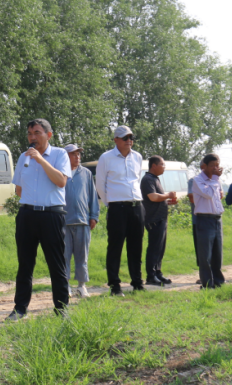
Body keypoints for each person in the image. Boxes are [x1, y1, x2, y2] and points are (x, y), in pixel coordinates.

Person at [6, 119, 72, 320]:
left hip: (51, 214)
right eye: (29, 133)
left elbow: (61, 181)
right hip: (27, 215)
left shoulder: (60, 154)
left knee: (56, 264)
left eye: (37, 132)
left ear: (48, 135)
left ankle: (61, 309)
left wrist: (40, 159)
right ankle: (20, 309)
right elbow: (18, 189)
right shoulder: (23, 157)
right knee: (25, 264)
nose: (32, 137)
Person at [95, 125, 146, 296]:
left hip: (136, 206)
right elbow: (100, 185)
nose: (129, 141)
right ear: (116, 140)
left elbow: (136, 180)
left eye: (131, 137)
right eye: (125, 138)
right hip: (117, 207)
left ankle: (137, 282)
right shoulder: (106, 158)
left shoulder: (137, 157)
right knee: (115, 247)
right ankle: (115, 285)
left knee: (136, 247)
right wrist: (111, 203)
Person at [62, 143, 98, 299]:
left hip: (82, 220)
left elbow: (92, 195)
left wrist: (94, 216)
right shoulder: (59, 172)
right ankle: (65, 285)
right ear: (66, 156)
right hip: (63, 222)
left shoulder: (86, 173)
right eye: (73, 154)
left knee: (82, 256)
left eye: (78, 153)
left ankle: (82, 286)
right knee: (64, 256)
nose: (77, 156)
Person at [141, 155, 178, 287]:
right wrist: (168, 195)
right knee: (154, 247)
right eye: (162, 164)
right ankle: (151, 276)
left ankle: (158, 272)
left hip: (161, 218)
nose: (164, 167)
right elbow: (153, 197)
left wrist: (167, 202)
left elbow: (157, 199)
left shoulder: (155, 179)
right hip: (154, 219)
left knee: (160, 248)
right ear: (154, 165)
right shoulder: (147, 179)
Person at [192, 153, 226, 288]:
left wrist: (216, 180)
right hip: (204, 219)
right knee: (205, 254)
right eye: (212, 166)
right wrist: (215, 179)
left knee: (218, 253)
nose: (216, 168)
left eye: (217, 165)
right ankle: (207, 283)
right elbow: (208, 194)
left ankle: (218, 281)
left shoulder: (216, 181)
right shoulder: (198, 180)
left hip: (217, 219)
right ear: (204, 166)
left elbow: (219, 197)